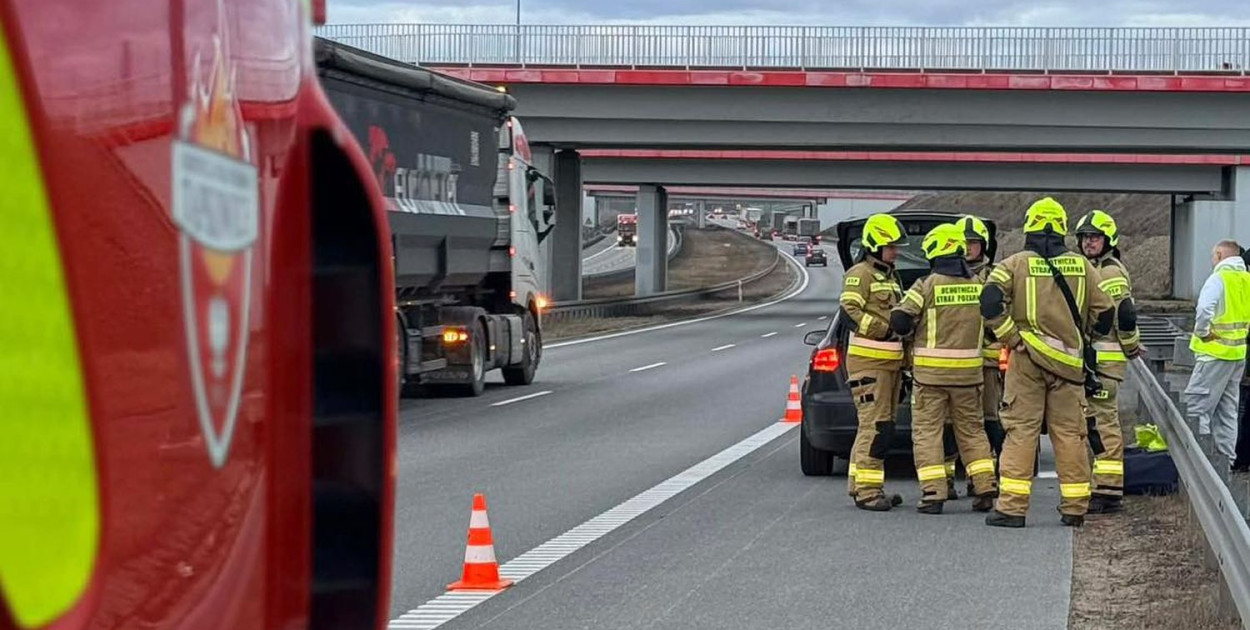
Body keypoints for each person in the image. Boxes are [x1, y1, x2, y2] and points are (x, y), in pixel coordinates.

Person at [980, 197, 1115, 528]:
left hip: (1026, 363)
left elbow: (989, 301)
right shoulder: (1083, 266)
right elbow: (1110, 312)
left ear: (1029, 225)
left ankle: (1011, 508)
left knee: (1021, 432)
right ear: (1062, 227)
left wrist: (1011, 338)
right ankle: (1075, 507)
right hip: (1069, 367)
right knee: (1070, 435)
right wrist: (1085, 338)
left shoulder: (1012, 264)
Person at [891, 223, 999, 514]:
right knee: (973, 433)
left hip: (931, 379)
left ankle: (933, 494)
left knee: (928, 434)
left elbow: (900, 320)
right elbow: (994, 327)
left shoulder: (925, 286)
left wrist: (911, 332)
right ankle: (985, 487)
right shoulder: (978, 286)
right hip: (969, 377)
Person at [1074, 210, 1142, 514]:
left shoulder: (1110, 271)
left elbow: (1124, 315)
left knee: (1103, 425)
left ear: (1108, 240)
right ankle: (1100, 485)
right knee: (1093, 424)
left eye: (1095, 238)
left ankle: (1108, 490)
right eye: (1085, 238)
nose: (1089, 243)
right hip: (1093, 361)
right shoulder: (1091, 267)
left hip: (1104, 363)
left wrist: (1131, 348)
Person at [839, 213, 908, 511]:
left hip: (889, 365)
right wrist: (884, 330)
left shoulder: (890, 276)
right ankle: (869, 491)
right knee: (876, 428)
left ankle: (860, 484)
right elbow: (849, 308)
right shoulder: (860, 274)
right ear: (875, 246)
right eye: (891, 246)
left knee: (878, 425)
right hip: (870, 363)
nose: (896, 251)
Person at [1183, 239, 1250, 463]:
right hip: (1238, 355)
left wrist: (1202, 332)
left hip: (1214, 354)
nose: (1212, 261)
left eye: (1213, 256)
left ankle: (1200, 463)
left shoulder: (1218, 278)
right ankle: (1226, 462)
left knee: (1197, 408)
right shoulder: (1246, 280)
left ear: (1220, 255)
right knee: (1227, 412)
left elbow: (1204, 308)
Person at [958, 214, 1006, 499]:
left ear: (983, 246)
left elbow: (1004, 312)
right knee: (960, 424)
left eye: (973, 243)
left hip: (988, 363)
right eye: (963, 243)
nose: (967, 248)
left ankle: (989, 478)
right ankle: (957, 477)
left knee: (990, 421)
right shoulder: (947, 273)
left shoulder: (996, 275)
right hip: (958, 366)